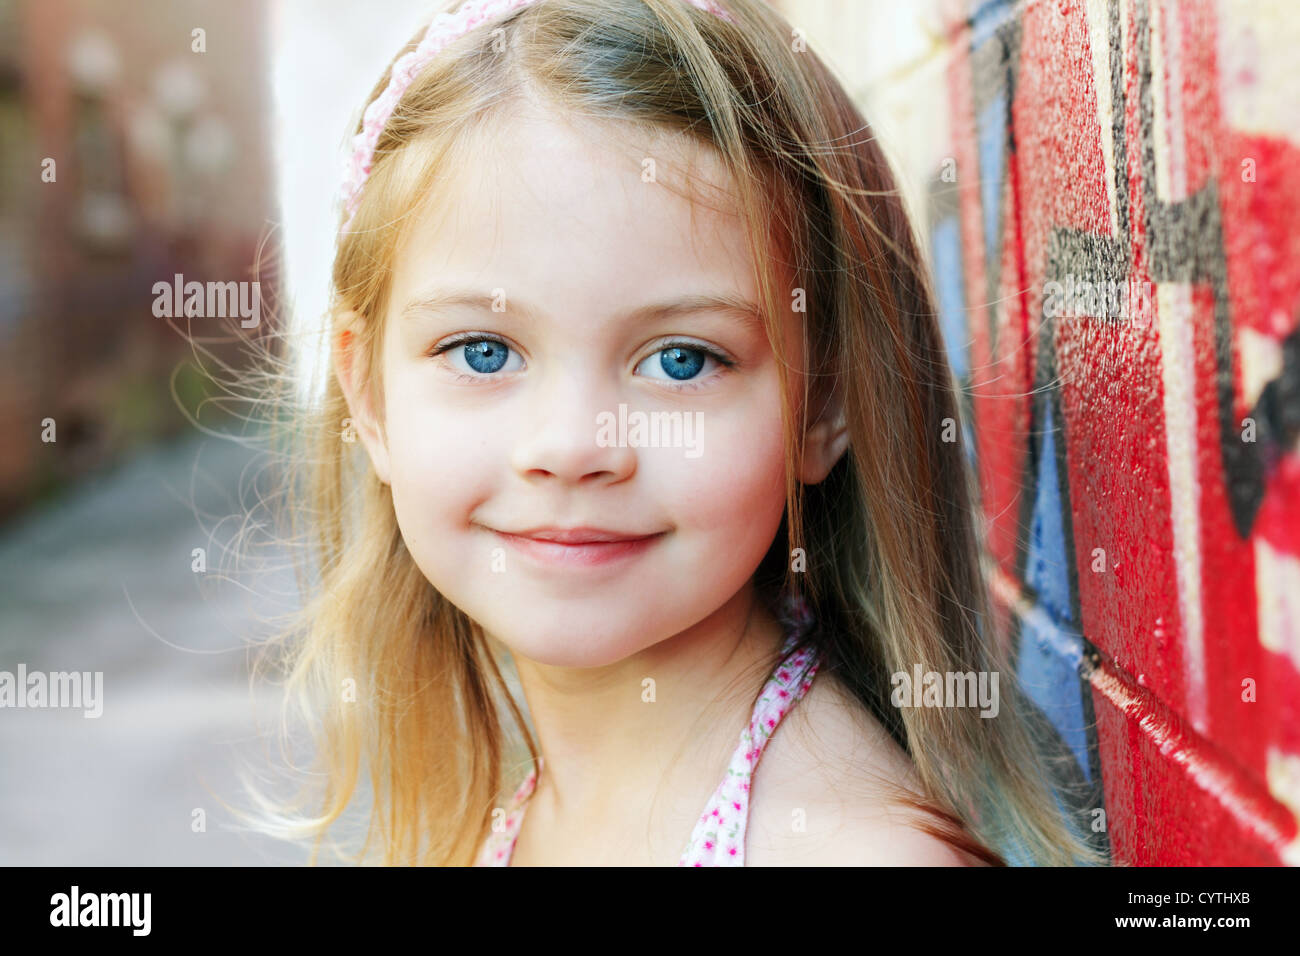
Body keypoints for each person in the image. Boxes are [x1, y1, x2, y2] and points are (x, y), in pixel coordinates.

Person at [236, 0, 1106, 866]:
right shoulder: (538, 801)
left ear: (826, 403)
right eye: (483, 350)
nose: (573, 445)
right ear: (370, 397)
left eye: (682, 360)